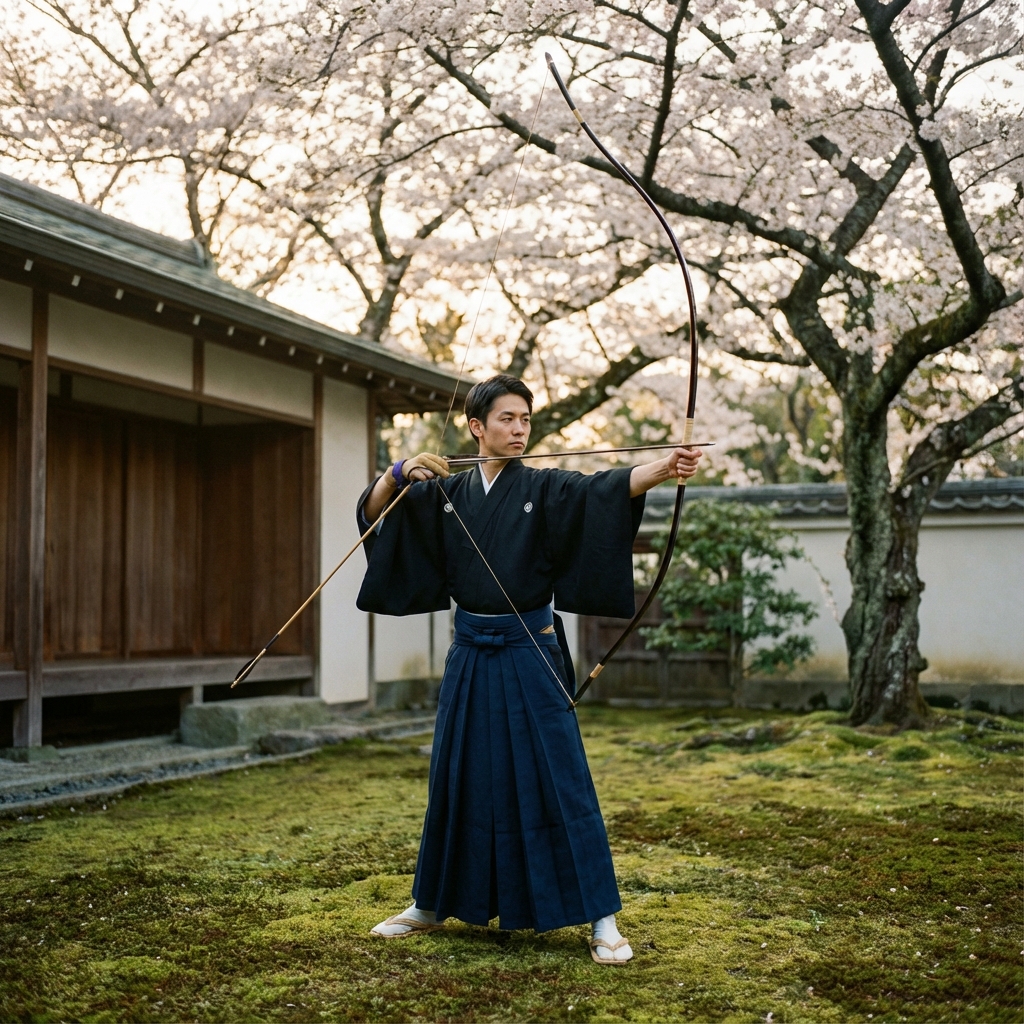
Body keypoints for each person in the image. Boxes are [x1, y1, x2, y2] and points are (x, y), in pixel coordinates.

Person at [356, 374, 702, 964]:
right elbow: (374, 516)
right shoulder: (447, 491)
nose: (519, 430)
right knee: (458, 774)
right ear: (476, 427)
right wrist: (396, 473)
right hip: (470, 650)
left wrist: (666, 467)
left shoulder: (544, 487)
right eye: (507, 419)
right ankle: (432, 903)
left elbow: (606, 489)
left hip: (530, 648)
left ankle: (602, 918)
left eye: (525, 419)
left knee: (558, 776)